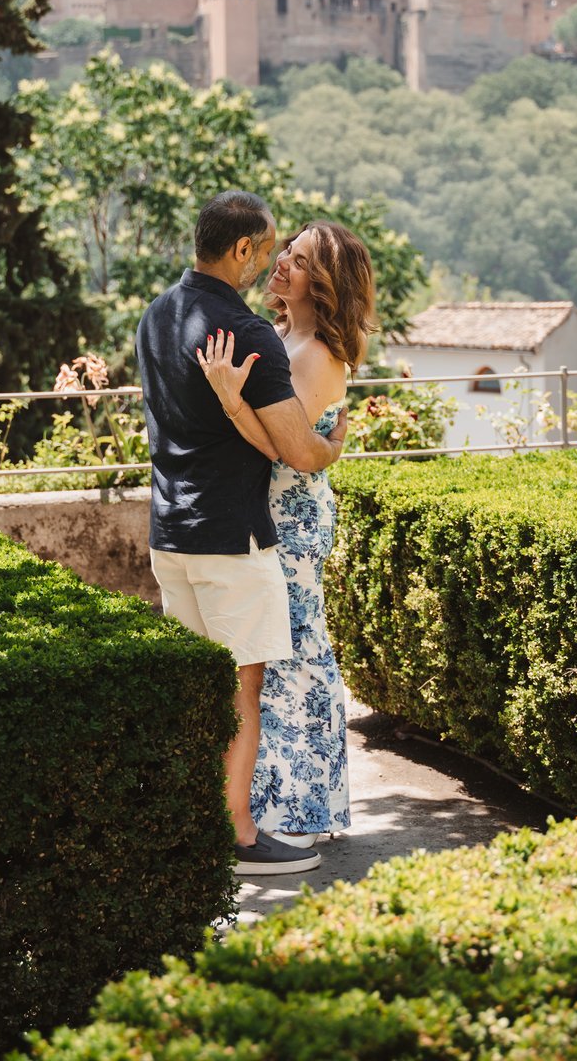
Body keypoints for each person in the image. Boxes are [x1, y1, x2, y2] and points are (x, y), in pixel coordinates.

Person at [135, 190, 348, 876]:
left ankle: (194, 816)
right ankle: (239, 834)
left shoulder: (156, 317)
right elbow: (298, 451)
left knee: (196, 689)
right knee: (240, 693)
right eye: (268, 248)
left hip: (169, 532)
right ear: (241, 250)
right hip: (232, 538)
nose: (271, 260)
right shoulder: (248, 333)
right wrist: (332, 448)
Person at [198, 221, 375, 848]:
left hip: (294, 516)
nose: (281, 267)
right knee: (266, 655)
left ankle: (303, 807)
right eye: (286, 255)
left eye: (297, 262)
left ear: (322, 284)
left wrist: (229, 398)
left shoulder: (319, 353)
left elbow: (285, 446)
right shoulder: (278, 336)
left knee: (295, 654)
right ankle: (266, 801)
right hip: (263, 512)